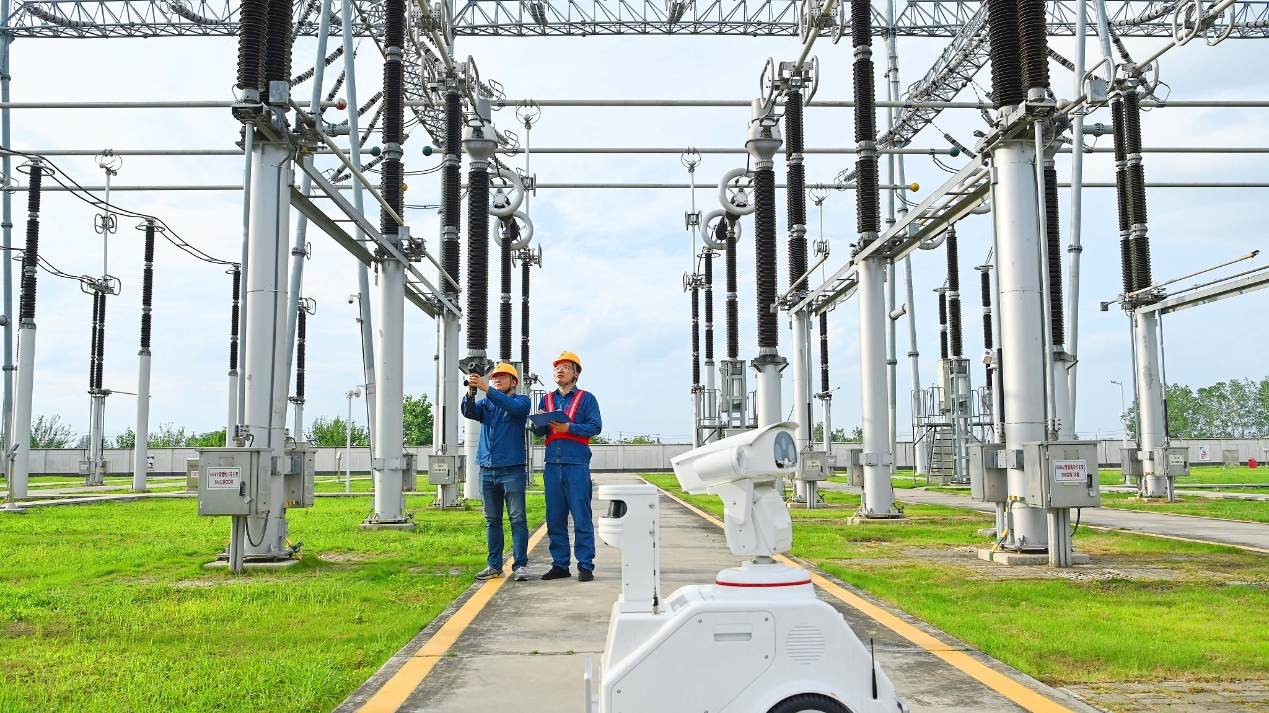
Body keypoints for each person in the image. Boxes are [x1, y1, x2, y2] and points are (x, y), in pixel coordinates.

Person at [531, 350, 602, 581]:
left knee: (581, 516)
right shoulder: (547, 400)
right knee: (555, 518)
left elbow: (595, 427)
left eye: (565, 367)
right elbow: (539, 432)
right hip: (552, 464)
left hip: (576, 464)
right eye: (556, 368)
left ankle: (585, 565)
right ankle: (560, 564)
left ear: (576, 374)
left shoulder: (587, 399)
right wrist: (538, 421)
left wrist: (568, 428)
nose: (559, 371)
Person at [461, 362, 532, 581]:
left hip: (512, 469)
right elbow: (469, 412)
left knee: (517, 518)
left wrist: (485, 388)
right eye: (494, 377)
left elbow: (514, 409)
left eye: (502, 377)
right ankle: (494, 565)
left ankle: (520, 565)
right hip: (487, 469)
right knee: (492, 520)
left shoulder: (521, 401)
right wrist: (470, 393)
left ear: (514, 382)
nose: (497, 380)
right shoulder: (487, 405)